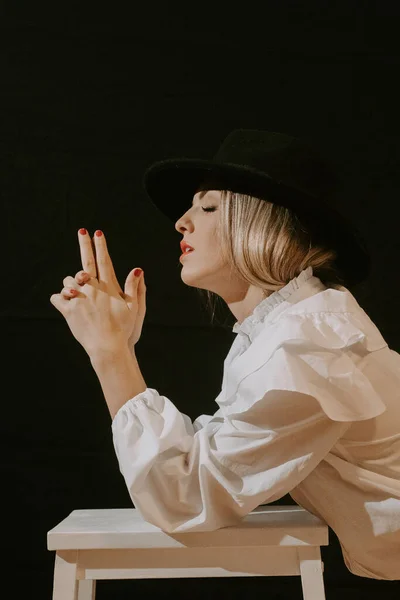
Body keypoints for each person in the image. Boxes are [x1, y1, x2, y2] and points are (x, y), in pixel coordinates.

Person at [52, 129, 400, 581]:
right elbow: (208, 461)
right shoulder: (283, 329)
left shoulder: (307, 341)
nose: (182, 221)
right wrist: (117, 349)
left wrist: (111, 354)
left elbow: (186, 497)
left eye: (208, 206)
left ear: (263, 223)